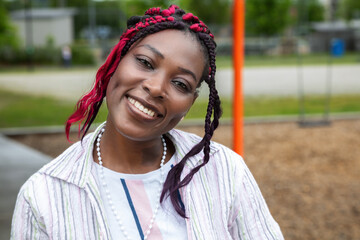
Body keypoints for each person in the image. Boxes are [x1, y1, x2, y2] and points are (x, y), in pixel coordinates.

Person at [11, 5, 284, 240]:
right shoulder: (43, 195)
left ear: (190, 102)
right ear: (116, 59)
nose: (155, 87)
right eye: (145, 62)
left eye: (180, 83)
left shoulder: (224, 171)